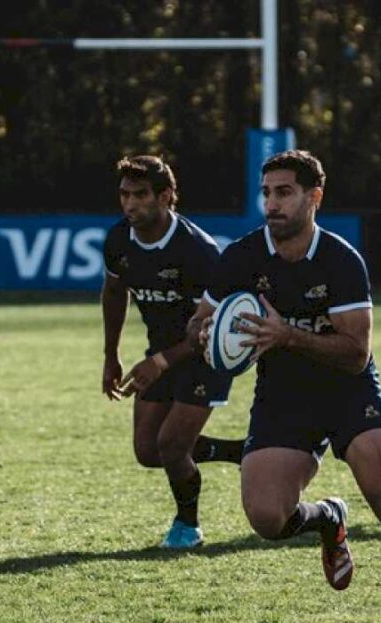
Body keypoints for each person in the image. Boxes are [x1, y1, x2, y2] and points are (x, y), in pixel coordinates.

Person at [188, 150, 381, 623]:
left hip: (347, 388)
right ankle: (328, 517)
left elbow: (356, 352)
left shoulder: (340, 260)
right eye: (267, 193)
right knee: (266, 517)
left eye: (284, 192)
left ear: (313, 197)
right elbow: (201, 318)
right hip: (283, 393)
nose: (272, 204)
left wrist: (287, 336)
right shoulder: (243, 257)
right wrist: (208, 336)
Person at [101, 155, 244, 550]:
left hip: (208, 354)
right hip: (160, 352)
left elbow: (211, 328)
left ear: (166, 197)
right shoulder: (118, 240)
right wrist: (110, 356)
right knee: (148, 451)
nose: (131, 204)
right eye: (124, 195)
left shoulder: (197, 251)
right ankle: (239, 450)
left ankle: (188, 527)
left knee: (171, 446)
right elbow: (115, 293)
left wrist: (160, 362)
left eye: (141, 195)